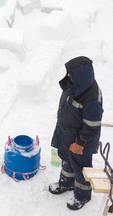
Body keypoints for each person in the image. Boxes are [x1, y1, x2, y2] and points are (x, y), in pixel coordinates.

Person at [49, 56, 103, 210]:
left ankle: (82, 196)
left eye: (70, 73)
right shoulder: (77, 85)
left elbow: (92, 125)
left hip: (82, 140)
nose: (68, 76)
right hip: (68, 134)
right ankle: (66, 183)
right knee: (67, 159)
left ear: (81, 75)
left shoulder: (91, 97)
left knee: (81, 166)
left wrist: (80, 143)